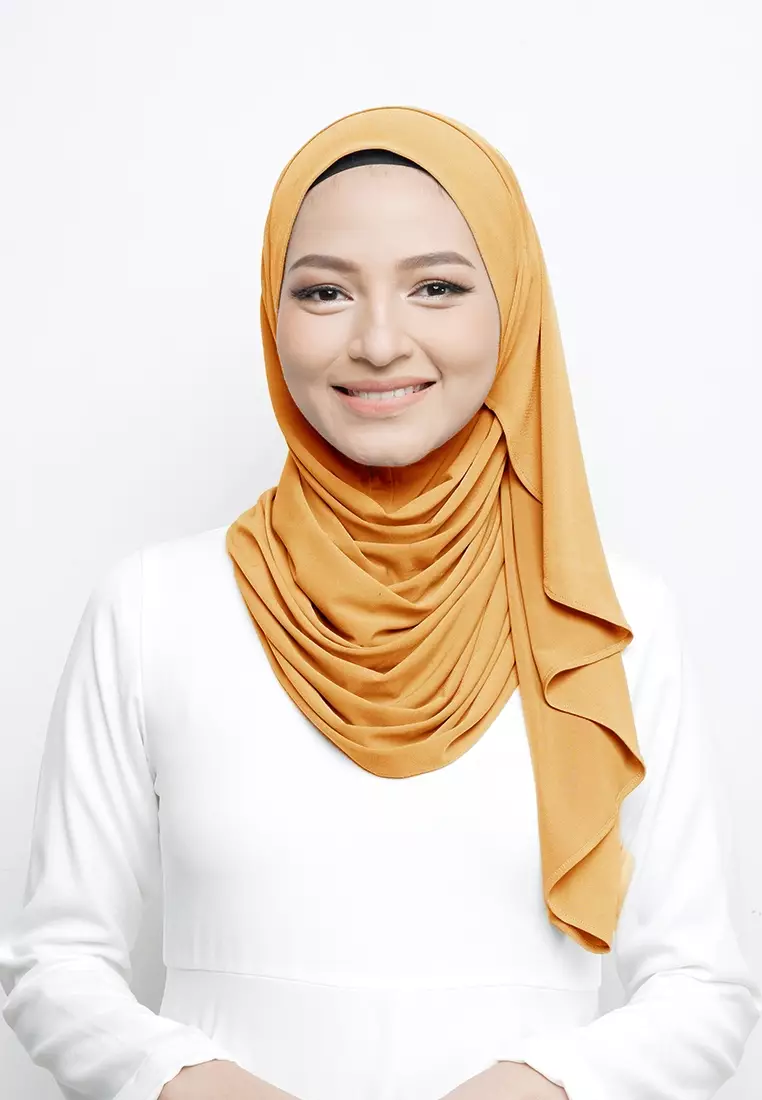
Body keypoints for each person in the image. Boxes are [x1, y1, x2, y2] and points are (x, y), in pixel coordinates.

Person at [0, 105, 759, 1100]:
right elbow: (55, 962)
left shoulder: (614, 623)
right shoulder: (150, 607)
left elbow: (702, 991)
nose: (378, 341)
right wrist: (190, 1081)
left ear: (514, 305)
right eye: (324, 291)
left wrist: (539, 1085)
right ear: (272, 314)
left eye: (437, 286)